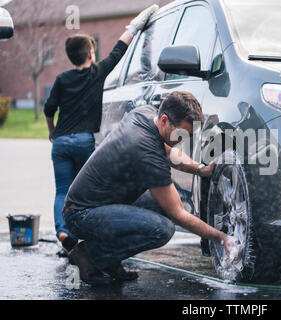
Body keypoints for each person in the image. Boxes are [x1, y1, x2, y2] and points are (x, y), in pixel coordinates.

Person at [63, 92, 231, 285]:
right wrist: (221, 238)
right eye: (181, 134)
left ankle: (109, 260)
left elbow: (169, 154)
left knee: (164, 203)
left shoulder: (146, 114)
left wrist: (202, 170)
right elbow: (177, 214)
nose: (183, 140)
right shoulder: (145, 151)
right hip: (82, 215)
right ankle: (89, 255)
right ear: (165, 120)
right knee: (162, 229)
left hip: (99, 203)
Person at [43, 5, 159, 255]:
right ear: (91, 53)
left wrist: (52, 131)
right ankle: (84, 239)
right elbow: (120, 49)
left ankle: (63, 232)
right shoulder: (97, 73)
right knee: (82, 192)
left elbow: (48, 108)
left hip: (61, 143)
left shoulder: (62, 79)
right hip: (84, 142)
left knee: (62, 190)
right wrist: (137, 24)